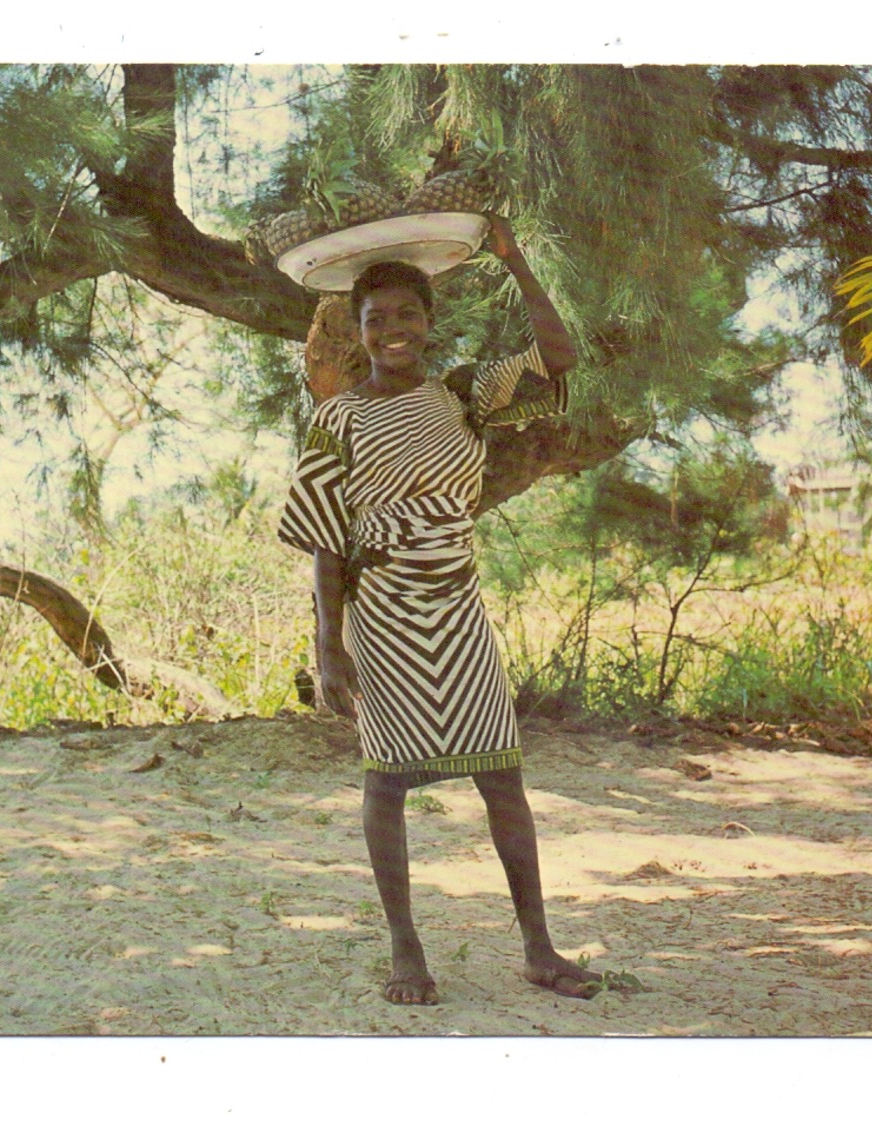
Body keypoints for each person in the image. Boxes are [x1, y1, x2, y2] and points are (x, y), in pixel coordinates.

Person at [277, 216, 602, 1006]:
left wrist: (516, 258)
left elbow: (560, 358)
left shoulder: (462, 396)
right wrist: (328, 647)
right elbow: (326, 541)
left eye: (407, 315)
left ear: (430, 323)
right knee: (386, 785)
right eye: (376, 318)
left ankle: (538, 948)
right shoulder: (338, 418)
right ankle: (406, 951)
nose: (393, 329)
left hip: (457, 606)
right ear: (357, 332)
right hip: (382, 611)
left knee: (502, 775)